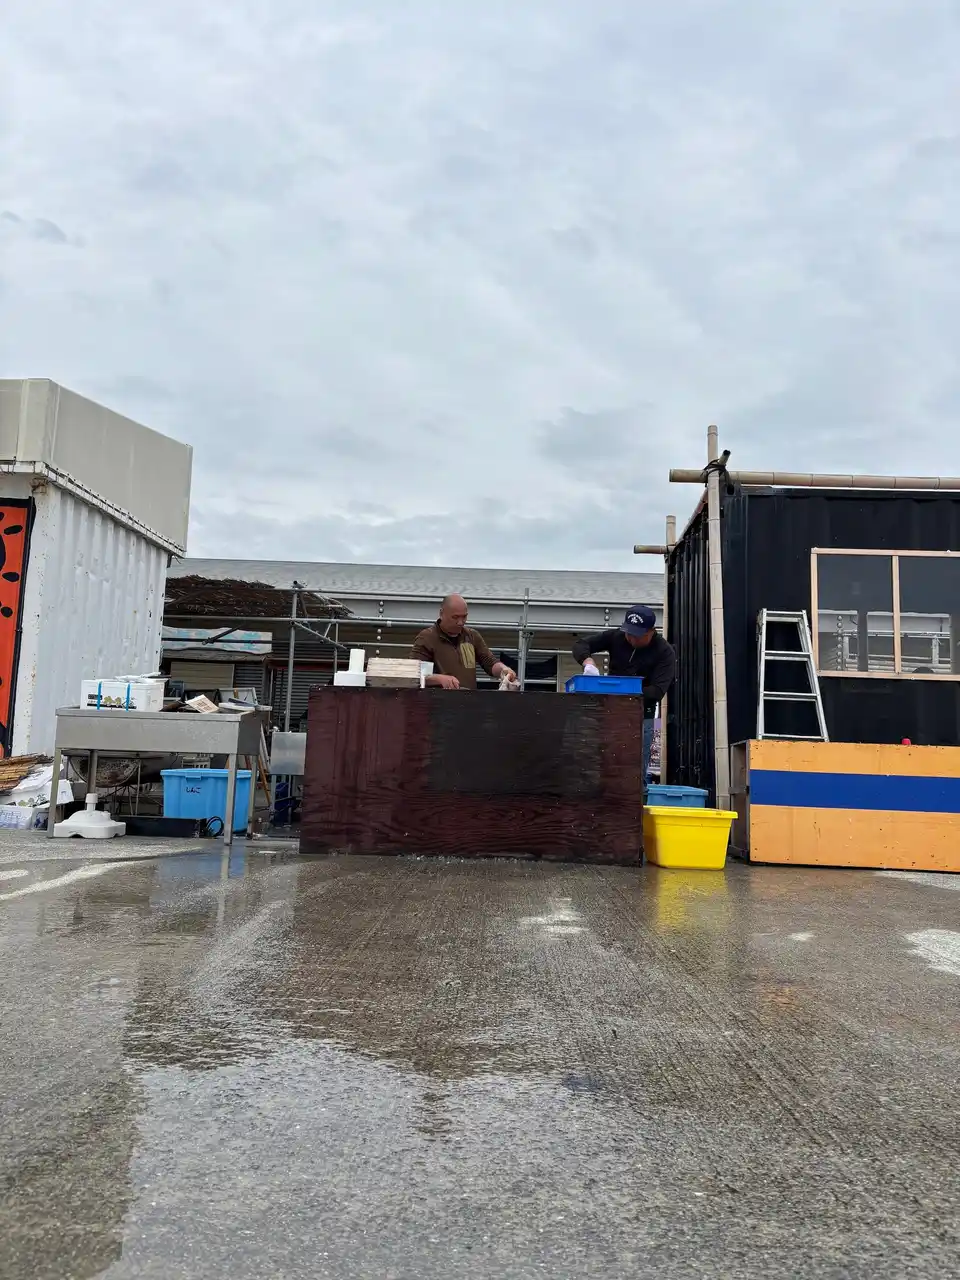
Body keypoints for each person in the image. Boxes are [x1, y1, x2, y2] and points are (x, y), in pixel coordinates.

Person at [571, 604, 676, 782]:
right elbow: (581, 644)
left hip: (641, 716)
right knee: (602, 764)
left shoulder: (664, 652)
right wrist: (587, 662)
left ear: (651, 632)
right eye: (628, 633)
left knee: (633, 771)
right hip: (609, 711)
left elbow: (657, 691)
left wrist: (622, 688)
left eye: (637, 635)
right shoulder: (617, 637)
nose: (631, 639)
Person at [412, 594, 517, 690]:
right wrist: (439, 679)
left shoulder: (472, 636)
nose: (460, 622)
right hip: (437, 701)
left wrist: (504, 670)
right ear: (441, 613)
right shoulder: (427, 638)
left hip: (468, 700)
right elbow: (414, 673)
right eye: (455, 617)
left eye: (464, 616)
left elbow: (490, 663)